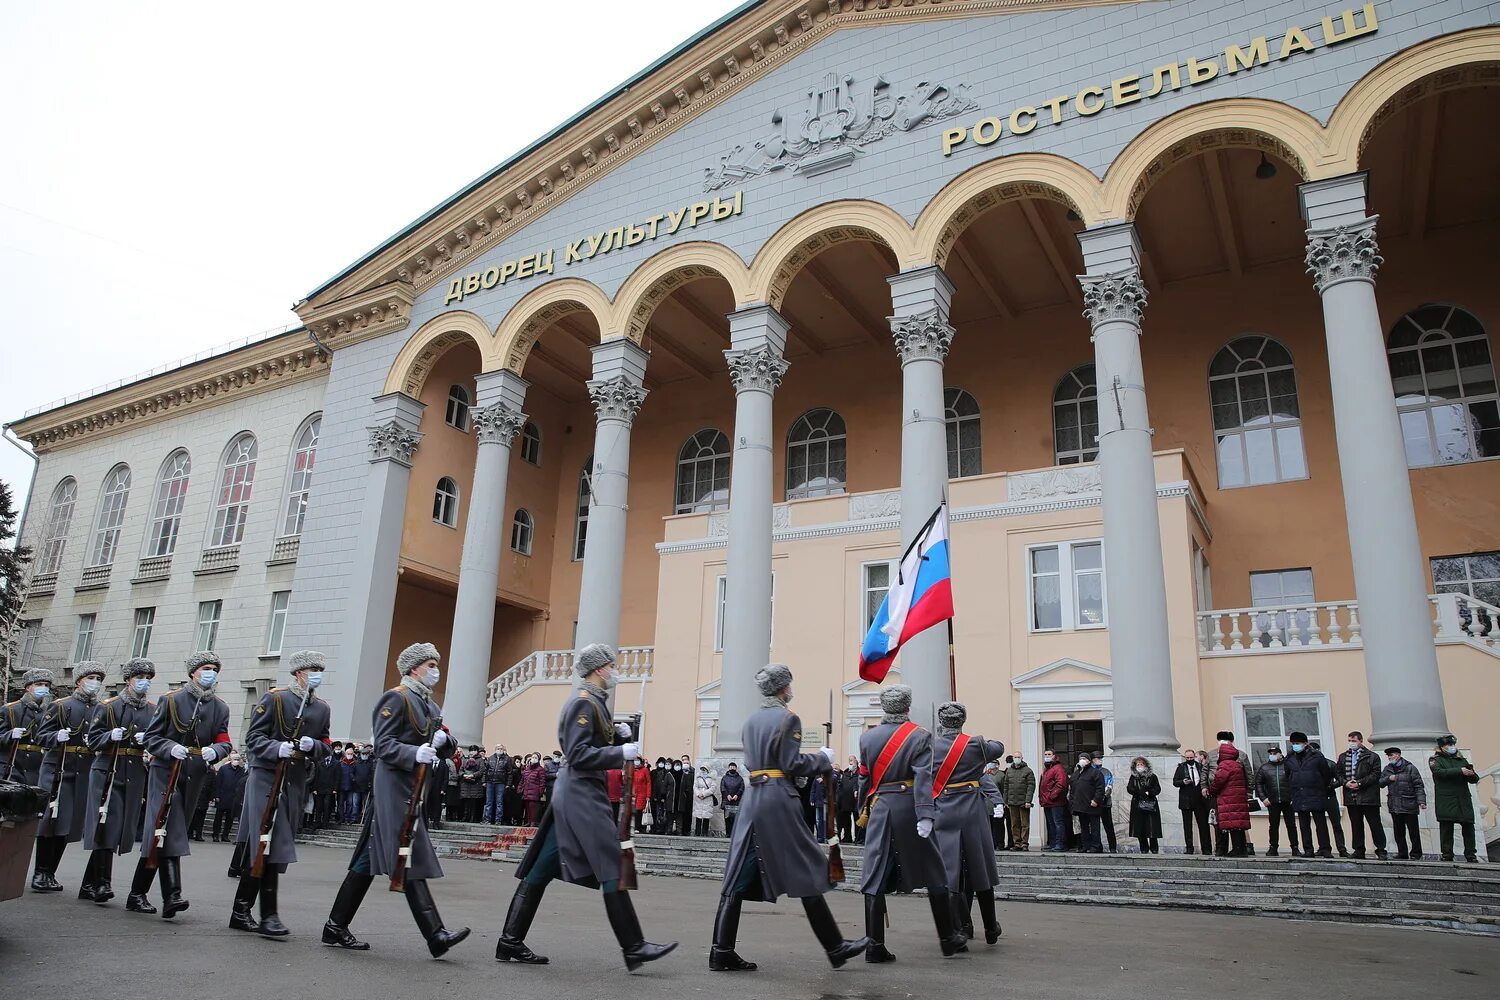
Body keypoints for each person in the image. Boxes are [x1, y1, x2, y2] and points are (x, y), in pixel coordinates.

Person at [496, 644, 676, 971]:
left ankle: (509, 940)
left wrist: (618, 739)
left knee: (543, 867)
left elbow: (594, 745)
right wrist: (618, 753)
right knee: (611, 863)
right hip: (580, 792)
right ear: (598, 669)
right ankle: (634, 946)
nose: (614, 671)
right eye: (611, 665)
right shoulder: (583, 703)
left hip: (577, 792)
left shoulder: (596, 704)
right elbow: (579, 754)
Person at [709, 664, 868, 971]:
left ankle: (721, 949)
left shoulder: (752, 720)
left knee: (738, 874)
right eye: (789, 685)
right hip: (778, 799)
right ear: (783, 689)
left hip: (753, 798)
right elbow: (791, 763)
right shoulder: (788, 718)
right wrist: (822, 758)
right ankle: (835, 947)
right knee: (806, 868)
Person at [322, 642, 469, 957]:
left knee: (368, 859)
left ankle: (335, 926)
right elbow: (384, 744)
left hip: (414, 788)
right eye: (430, 665)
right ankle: (436, 934)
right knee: (407, 850)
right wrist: (413, 752)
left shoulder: (428, 704)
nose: (435, 671)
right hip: (394, 787)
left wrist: (445, 743)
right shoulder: (396, 698)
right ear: (415, 668)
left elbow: (445, 739)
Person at [857, 685, 967, 962]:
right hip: (909, 809)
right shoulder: (919, 736)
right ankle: (947, 939)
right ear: (907, 707)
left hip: (880, 807)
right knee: (935, 871)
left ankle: (874, 946)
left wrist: (862, 810)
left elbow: (863, 779)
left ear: (885, 707)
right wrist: (926, 813)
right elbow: (922, 778)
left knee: (874, 876)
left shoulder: (867, 738)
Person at [230, 650, 334, 938]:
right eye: (312, 669)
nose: (317, 675)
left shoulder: (321, 708)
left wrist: (314, 746)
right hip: (266, 775)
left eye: (320, 670)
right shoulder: (275, 698)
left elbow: (326, 742)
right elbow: (254, 738)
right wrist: (277, 748)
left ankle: (240, 910)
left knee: (267, 843)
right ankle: (269, 915)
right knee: (270, 840)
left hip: (295, 779)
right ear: (299, 673)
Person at [130, 651, 232, 917]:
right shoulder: (171, 700)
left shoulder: (220, 707)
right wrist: (169, 747)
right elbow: (152, 737)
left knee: (166, 833)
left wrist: (217, 752)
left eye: (214, 669)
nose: (210, 672)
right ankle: (172, 895)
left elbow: (224, 739)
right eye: (206, 668)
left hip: (195, 773)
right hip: (166, 771)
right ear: (193, 672)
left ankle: (137, 893)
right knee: (169, 827)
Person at [79, 658, 156, 904]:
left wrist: (149, 741)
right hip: (108, 768)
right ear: (128, 680)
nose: (143, 682)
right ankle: (102, 883)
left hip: (133, 771)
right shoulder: (109, 706)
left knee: (120, 826)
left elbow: (155, 739)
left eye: (147, 678)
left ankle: (88, 884)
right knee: (107, 822)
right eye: (139, 677)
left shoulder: (153, 710)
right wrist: (109, 737)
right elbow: (92, 740)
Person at [930, 702, 1005, 945]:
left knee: (951, 872)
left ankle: (960, 929)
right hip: (972, 811)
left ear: (942, 722)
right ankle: (991, 928)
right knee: (980, 868)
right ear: (962, 721)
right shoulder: (976, 744)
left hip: (944, 811)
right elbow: (999, 748)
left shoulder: (931, 746)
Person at [32, 661, 108, 894]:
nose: (95, 682)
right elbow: (40, 735)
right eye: (91, 677)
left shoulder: (103, 709)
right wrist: (56, 736)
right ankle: (41, 871)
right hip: (58, 769)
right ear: (79, 681)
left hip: (84, 770)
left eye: (98, 678)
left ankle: (51, 872)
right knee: (51, 820)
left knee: (69, 823)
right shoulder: (62, 706)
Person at [1284, 732, 1337, 858]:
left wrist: (1320, 787)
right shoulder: (1290, 758)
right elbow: (1288, 776)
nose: (1295, 746)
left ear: (1305, 743)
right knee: (1304, 825)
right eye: (1293, 743)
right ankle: (1308, 849)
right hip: (1299, 795)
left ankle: (1325, 849)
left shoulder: (1317, 756)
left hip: (1316, 794)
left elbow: (1326, 775)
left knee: (1321, 824)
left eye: (1298, 743)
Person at [1337, 731, 1388, 860]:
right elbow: (1338, 773)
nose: (1351, 743)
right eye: (1349, 740)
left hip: (1368, 797)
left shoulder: (1372, 756)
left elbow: (1375, 774)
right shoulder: (1343, 757)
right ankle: (1359, 850)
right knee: (1356, 824)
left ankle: (1381, 849)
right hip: (1351, 797)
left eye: (1354, 741)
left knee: (1375, 824)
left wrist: (1359, 783)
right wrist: (1346, 783)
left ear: (1360, 741)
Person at [1429, 734, 1480, 863]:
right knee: (1447, 828)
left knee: (1468, 827)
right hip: (1446, 799)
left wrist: (1471, 773)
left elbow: (1474, 780)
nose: (1451, 747)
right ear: (1442, 747)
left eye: (1452, 745)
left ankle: (1471, 854)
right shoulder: (1436, 759)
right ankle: (1447, 854)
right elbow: (1439, 772)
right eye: (1448, 745)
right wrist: (1459, 771)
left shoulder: (1461, 759)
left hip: (1463, 799)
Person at [2, 667, 53, 785]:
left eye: (46, 685)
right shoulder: (10, 709)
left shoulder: (48, 713)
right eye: (39, 684)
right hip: (11, 766)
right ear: (28, 687)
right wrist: (9, 735)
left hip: (37, 769)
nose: (44, 688)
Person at [1208, 732, 1256, 857]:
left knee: (1231, 824)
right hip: (1238, 797)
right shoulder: (1236, 764)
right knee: (1238, 825)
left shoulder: (1225, 765)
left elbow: (1218, 781)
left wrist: (1211, 790)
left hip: (1228, 798)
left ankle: (1236, 849)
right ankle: (1241, 849)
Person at [1378, 747, 1425, 860]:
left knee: (1413, 831)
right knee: (1398, 832)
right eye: (1389, 756)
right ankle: (1402, 852)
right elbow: (1380, 782)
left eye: (1392, 755)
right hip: (1395, 805)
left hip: (1409, 803)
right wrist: (1389, 778)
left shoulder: (1410, 768)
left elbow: (1418, 785)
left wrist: (1421, 801)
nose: (1390, 757)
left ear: (1398, 755)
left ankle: (1416, 853)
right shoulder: (1388, 769)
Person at [1255, 745, 1298, 857]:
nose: (1272, 756)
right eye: (1271, 754)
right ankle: (1273, 848)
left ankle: (1295, 848)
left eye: (1275, 753)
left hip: (1287, 801)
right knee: (1273, 826)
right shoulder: (1264, 768)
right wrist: (1263, 798)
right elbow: (1258, 783)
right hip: (1272, 801)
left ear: (1280, 754)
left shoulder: (1288, 766)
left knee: (1291, 825)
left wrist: (1294, 797)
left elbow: (1295, 781)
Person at [1308, 741, 1350, 857]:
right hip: (1317, 798)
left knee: (1336, 824)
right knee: (1320, 825)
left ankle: (1342, 849)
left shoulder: (1329, 764)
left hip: (1329, 796)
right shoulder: (1309, 765)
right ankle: (1323, 848)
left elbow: (1340, 779)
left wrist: (1331, 786)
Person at [1172, 749, 1211, 855]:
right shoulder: (1181, 767)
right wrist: (1183, 782)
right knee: (1187, 826)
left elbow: (1205, 780)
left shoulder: (1200, 766)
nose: (1189, 760)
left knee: (1203, 825)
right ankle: (1189, 848)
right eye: (1187, 758)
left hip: (1200, 800)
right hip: (1186, 799)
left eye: (1191, 758)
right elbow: (1175, 782)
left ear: (1194, 757)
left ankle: (1206, 848)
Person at [1068, 753, 1105, 853]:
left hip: (1092, 805)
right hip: (1080, 806)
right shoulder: (1075, 774)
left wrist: (1096, 800)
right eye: (1080, 758)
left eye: (1084, 758)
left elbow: (1100, 788)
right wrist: (1072, 803)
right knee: (1083, 828)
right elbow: (1072, 790)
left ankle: (1096, 846)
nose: (1082, 760)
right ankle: (1085, 846)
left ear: (1089, 761)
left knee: (1094, 827)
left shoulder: (1095, 773)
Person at [1126, 757, 1162, 853]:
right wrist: (1138, 792)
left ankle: (1154, 848)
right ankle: (1144, 847)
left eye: (1141, 764)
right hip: (1137, 804)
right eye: (1138, 765)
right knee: (1139, 826)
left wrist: (1149, 792)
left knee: (1152, 827)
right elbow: (1129, 788)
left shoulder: (1152, 776)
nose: (1140, 766)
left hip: (1150, 803)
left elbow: (1157, 789)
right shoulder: (1133, 777)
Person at [999, 753, 1035, 851]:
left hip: (1024, 802)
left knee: (1024, 824)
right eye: (1015, 757)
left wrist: (1028, 800)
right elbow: (1006, 786)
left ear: (1022, 758)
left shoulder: (1028, 771)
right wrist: (1005, 800)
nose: (1016, 759)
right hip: (1011, 802)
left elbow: (1031, 786)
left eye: (1018, 757)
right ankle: (1017, 843)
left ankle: (1024, 844)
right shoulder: (1009, 771)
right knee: (1014, 824)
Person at [1038, 749, 1069, 851]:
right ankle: (1053, 843)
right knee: (1051, 823)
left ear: (1054, 756)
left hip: (1056, 802)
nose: (1047, 756)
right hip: (1047, 802)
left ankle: (1060, 844)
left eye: (1049, 754)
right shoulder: (1047, 769)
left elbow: (1061, 784)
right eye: (1045, 754)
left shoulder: (1058, 768)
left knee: (1058, 823)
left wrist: (1052, 796)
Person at [212, 752, 247, 842]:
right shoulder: (223, 769)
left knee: (229, 819)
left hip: (234, 798)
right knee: (218, 818)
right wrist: (216, 795)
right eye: (235, 759)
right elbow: (218, 783)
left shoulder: (241, 771)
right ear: (230, 760)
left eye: (238, 759)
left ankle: (225, 835)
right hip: (222, 797)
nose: (236, 761)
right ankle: (215, 835)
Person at [1093, 752, 1118, 853]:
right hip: (1093, 803)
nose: (1099, 759)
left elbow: (1109, 786)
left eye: (1100, 758)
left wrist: (1103, 796)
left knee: (1108, 826)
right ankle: (1097, 846)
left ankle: (1113, 847)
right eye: (1097, 758)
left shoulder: (1106, 772)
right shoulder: (1090, 771)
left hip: (1105, 803)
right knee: (1094, 827)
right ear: (1092, 760)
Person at [484, 744, 510, 823]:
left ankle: (498, 820)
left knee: (499, 802)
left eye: (501, 748)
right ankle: (487, 819)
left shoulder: (507, 759)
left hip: (501, 783)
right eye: (498, 748)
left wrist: (508, 783)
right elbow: (485, 771)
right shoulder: (490, 758)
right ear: (495, 749)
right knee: (489, 802)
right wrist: (484, 781)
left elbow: (509, 773)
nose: (500, 750)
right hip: (490, 782)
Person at [835, 757, 858, 843]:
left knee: (857, 821)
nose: (850, 763)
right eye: (849, 761)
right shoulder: (846, 773)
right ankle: (847, 837)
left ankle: (858, 838)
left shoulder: (859, 774)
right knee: (846, 821)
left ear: (856, 763)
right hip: (846, 801)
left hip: (856, 802)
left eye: (852, 761)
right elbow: (841, 787)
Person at [519, 753, 546, 825]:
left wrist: (540, 792)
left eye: (535, 757)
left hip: (535, 792)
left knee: (533, 808)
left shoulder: (540, 769)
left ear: (538, 759)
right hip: (527, 791)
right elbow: (523, 779)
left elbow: (542, 782)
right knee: (527, 807)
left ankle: (533, 822)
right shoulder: (527, 769)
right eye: (532, 757)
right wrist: (520, 788)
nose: (533, 759)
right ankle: (529, 821)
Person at [720, 762, 744, 839]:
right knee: (727, 818)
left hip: (736, 801)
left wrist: (737, 795)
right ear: (728, 768)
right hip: (727, 801)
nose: (732, 768)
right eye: (731, 767)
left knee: (735, 819)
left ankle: (734, 834)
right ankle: (728, 834)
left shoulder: (740, 778)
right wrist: (727, 795)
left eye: (734, 767)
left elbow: (742, 787)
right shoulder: (724, 777)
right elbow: (722, 787)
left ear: (736, 768)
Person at [650, 757, 672, 834]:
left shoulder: (670, 774)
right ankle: (658, 828)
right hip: (659, 797)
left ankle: (665, 828)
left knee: (665, 814)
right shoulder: (658, 773)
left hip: (668, 797)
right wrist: (656, 796)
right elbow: (656, 785)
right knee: (659, 813)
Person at [693, 764, 716, 836]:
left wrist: (704, 794)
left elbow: (713, 788)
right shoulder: (698, 777)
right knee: (698, 815)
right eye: (702, 769)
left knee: (706, 815)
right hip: (699, 798)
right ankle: (697, 832)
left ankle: (704, 832)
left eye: (705, 769)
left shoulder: (712, 778)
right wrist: (698, 794)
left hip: (707, 798)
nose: (703, 771)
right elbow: (695, 786)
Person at [674, 756, 694, 836]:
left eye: (687, 762)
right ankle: (680, 830)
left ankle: (687, 830)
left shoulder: (693, 772)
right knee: (680, 814)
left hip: (690, 796)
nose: (685, 763)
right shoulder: (679, 772)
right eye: (684, 762)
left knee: (688, 814)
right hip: (681, 796)